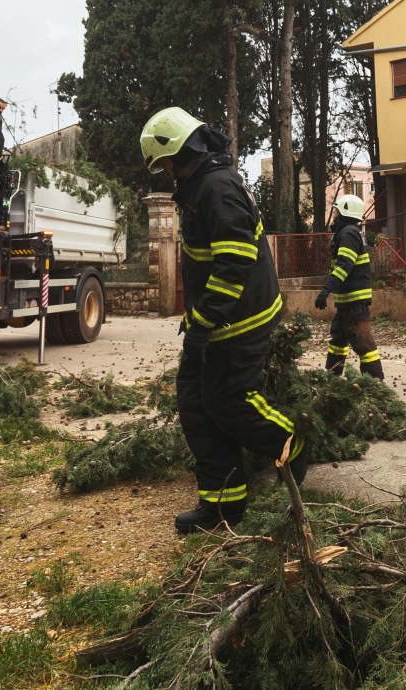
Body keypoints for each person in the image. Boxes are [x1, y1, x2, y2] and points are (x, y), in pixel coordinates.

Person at [140, 106, 304, 533]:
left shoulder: (217, 189)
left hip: (239, 321)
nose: (166, 174)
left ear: (179, 154)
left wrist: (205, 322)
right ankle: (222, 505)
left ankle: (296, 442)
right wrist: (200, 323)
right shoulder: (204, 186)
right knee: (197, 404)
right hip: (218, 321)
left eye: (164, 165)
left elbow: (233, 264)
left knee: (229, 403)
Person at [314, 194, 384, 380]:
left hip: (354, 301)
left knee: (363, 343)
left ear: (345, 211)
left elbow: (344, 265)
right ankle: (331, 379)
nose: (334, 213)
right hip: (347, 302)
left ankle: (375, 384)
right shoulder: (348, 232)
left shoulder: (348, 234)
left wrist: (326, 290)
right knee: (338, 340)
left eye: (336, 210)